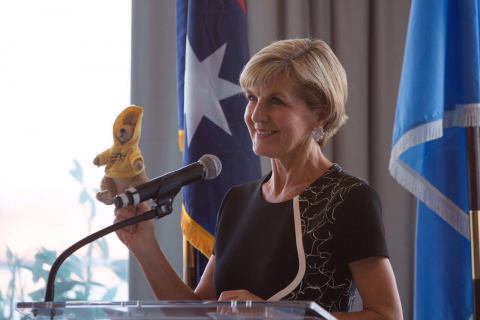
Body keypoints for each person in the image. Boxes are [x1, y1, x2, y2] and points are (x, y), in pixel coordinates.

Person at [114, 38, 403, 319]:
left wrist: (275, 316)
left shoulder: (348, 198)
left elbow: (387, 315)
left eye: (276, 101)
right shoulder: (238, 200)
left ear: (320, 114)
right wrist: (146, 247)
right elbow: (198, 311)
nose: (256, 115)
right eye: (252, 98)